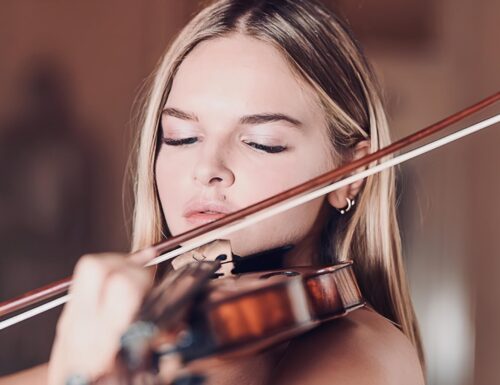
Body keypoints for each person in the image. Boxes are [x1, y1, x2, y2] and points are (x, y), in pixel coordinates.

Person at [0, 0, 426, 384]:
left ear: (351, 173)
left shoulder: (366, 356)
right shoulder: (173, 340)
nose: (207, 169)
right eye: (182, 137)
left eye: (262, 142)